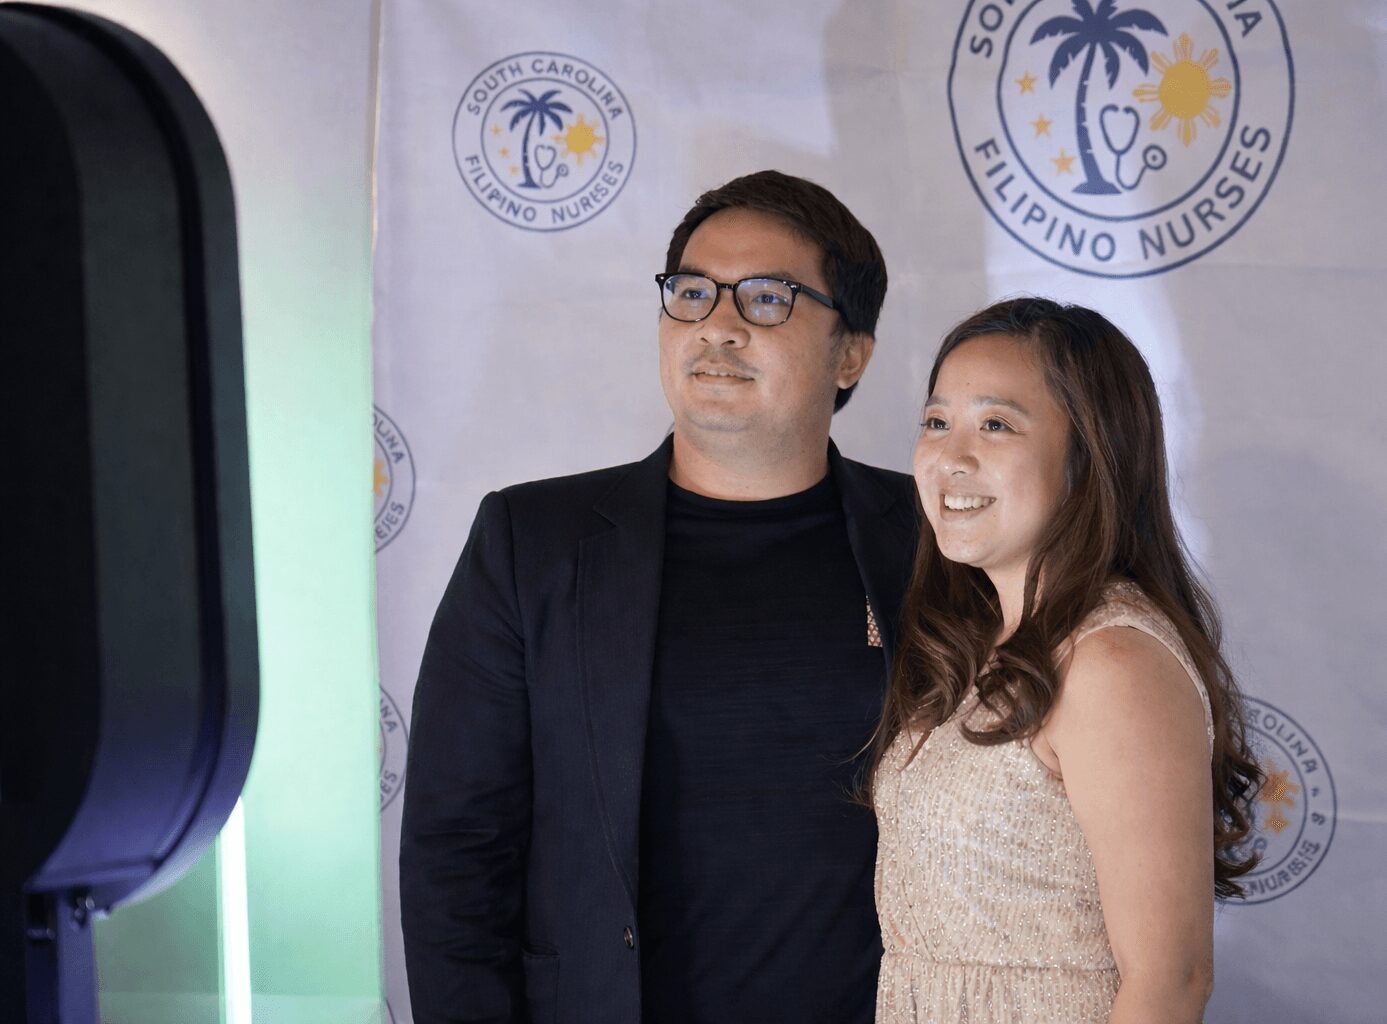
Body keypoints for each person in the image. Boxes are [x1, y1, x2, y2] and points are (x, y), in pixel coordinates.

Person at [400, 170, 919, 1024]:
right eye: (691, 292)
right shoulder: (532, 542)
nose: (716, 325)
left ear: (851, 352)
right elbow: (456, 852)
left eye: (766, 298)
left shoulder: (935, 540)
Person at [869, 297, 1262, 1024]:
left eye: (995, 424)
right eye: (935, 422)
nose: (950, 458)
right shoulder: (982, 641)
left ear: (1088, 454)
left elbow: (1169, 981)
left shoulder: (1110, 660)